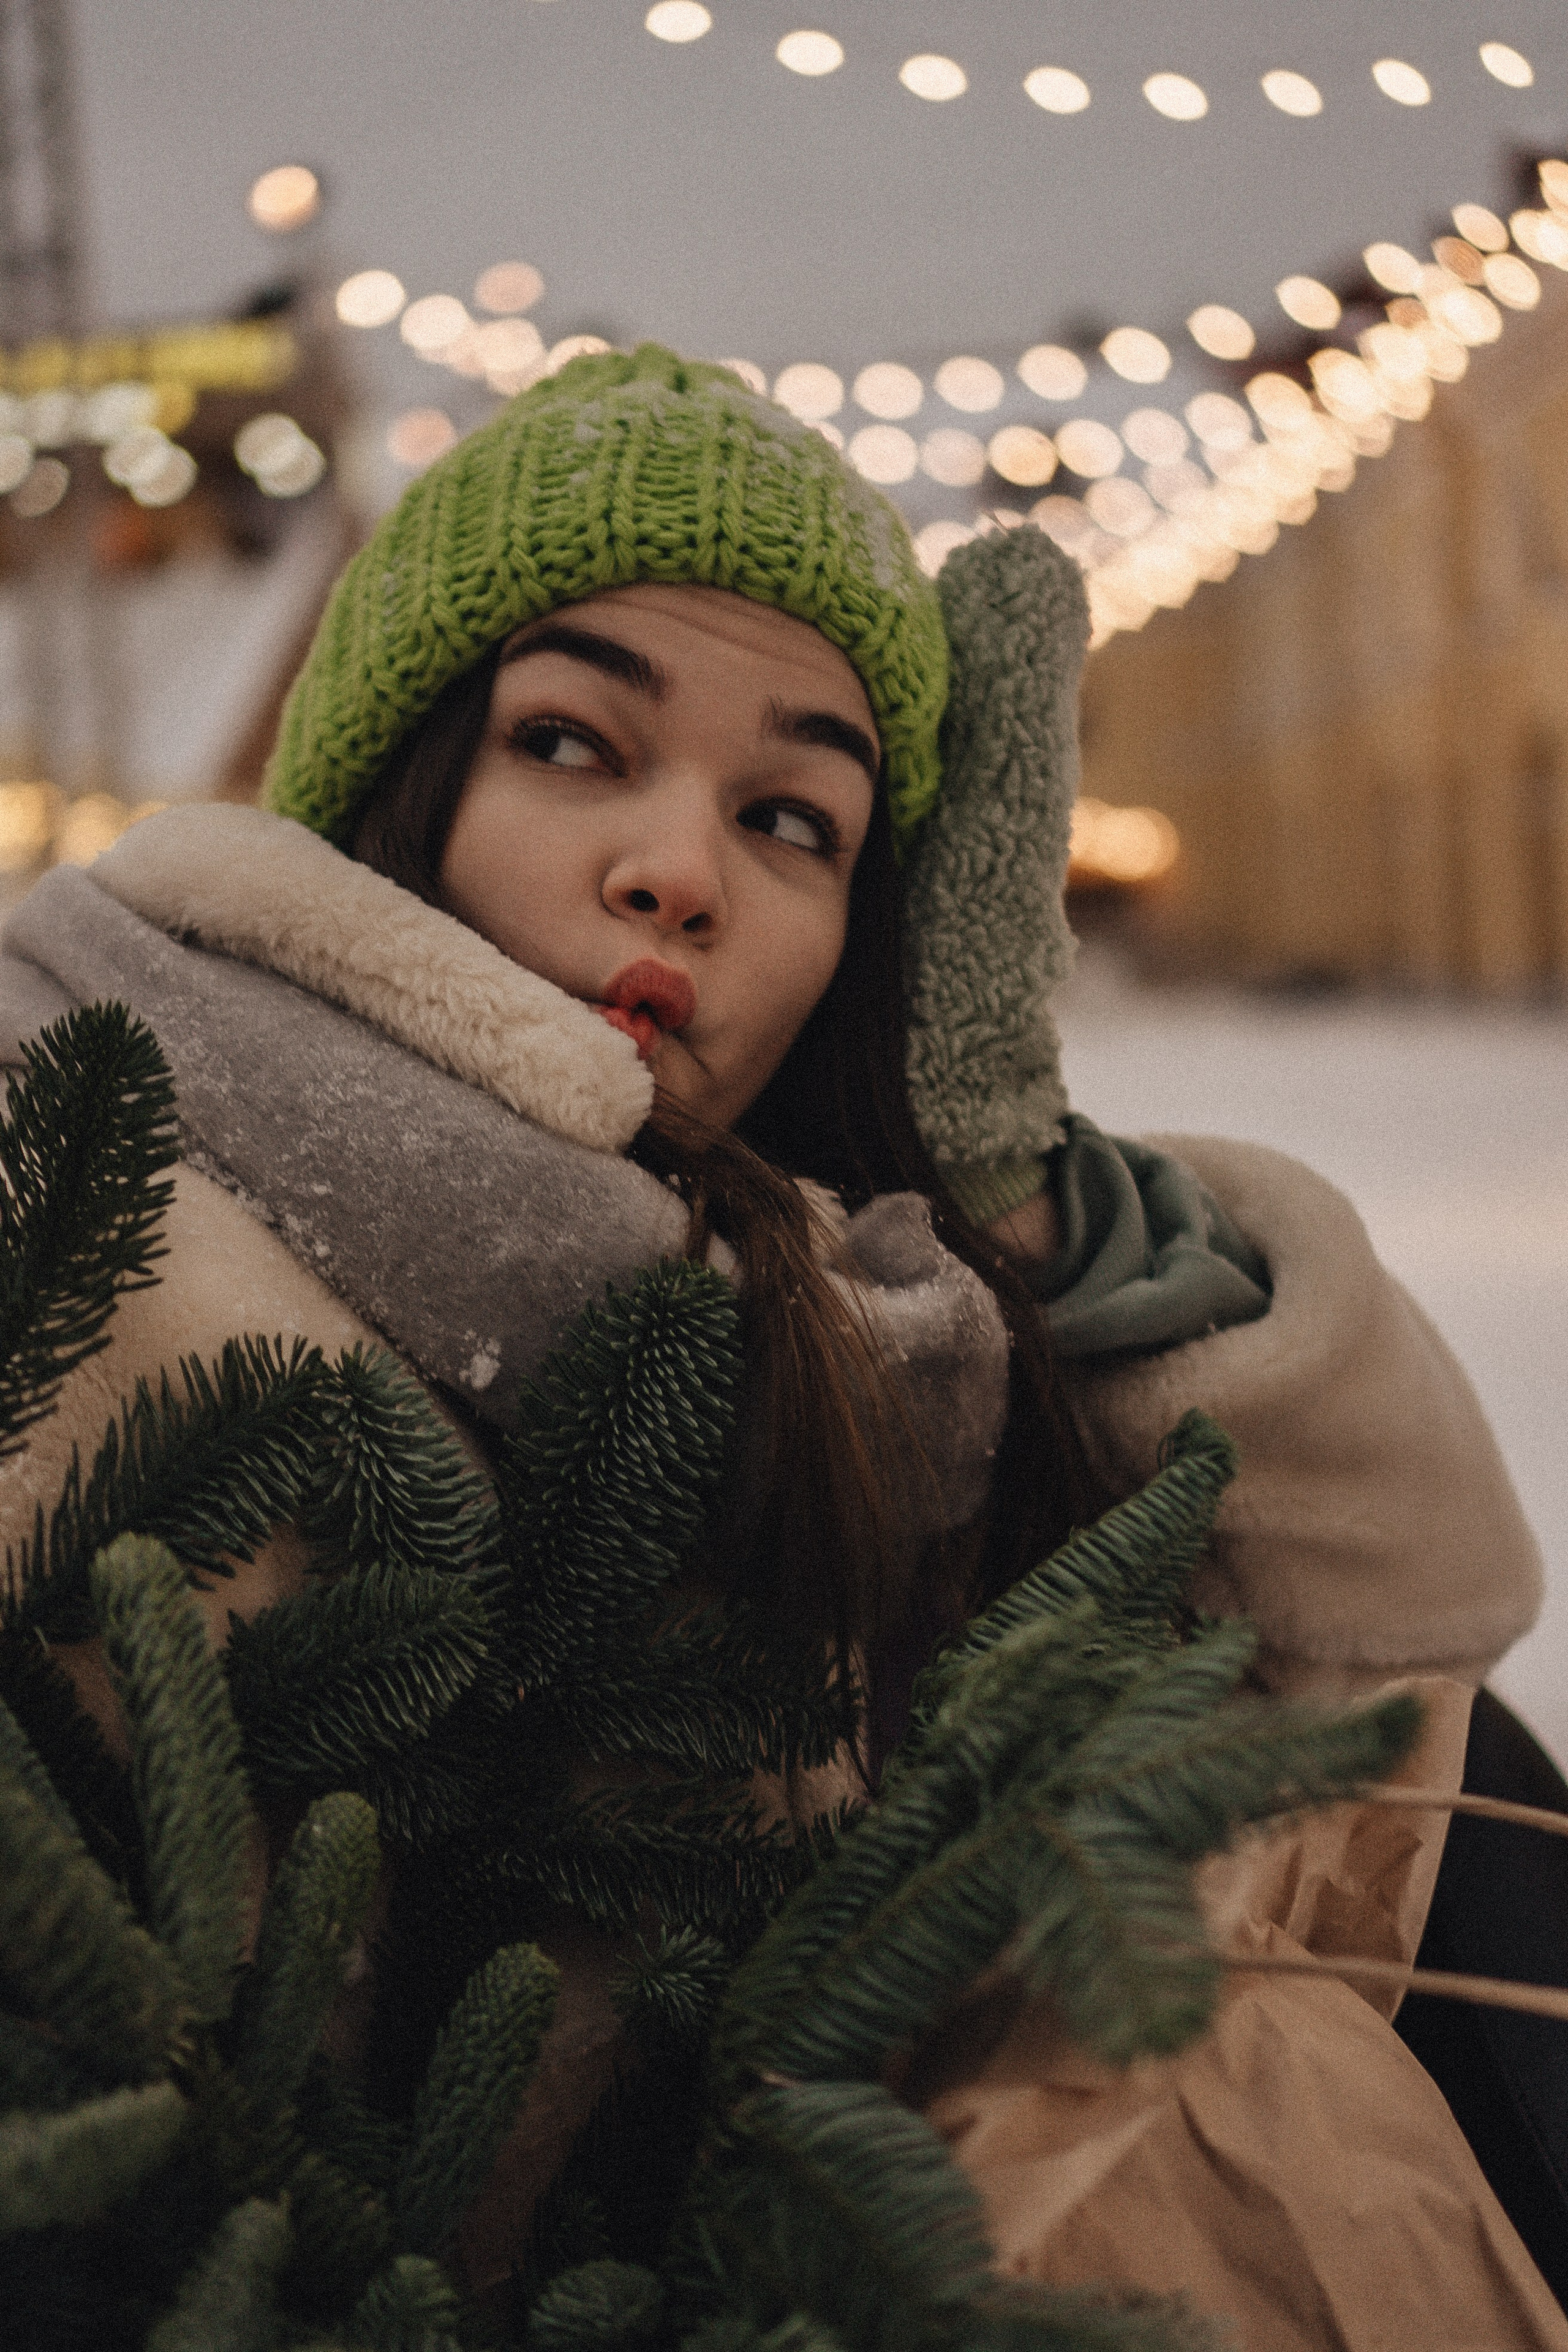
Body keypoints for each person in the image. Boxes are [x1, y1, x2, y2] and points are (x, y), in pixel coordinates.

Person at [0, 345, 1559, 2346]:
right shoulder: (100, 1206)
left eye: (795, 819)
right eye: (574, 742)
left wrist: (1014, 1181)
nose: (683, 869)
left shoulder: (854, 1315)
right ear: (401, 780)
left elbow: (1406, 1637)